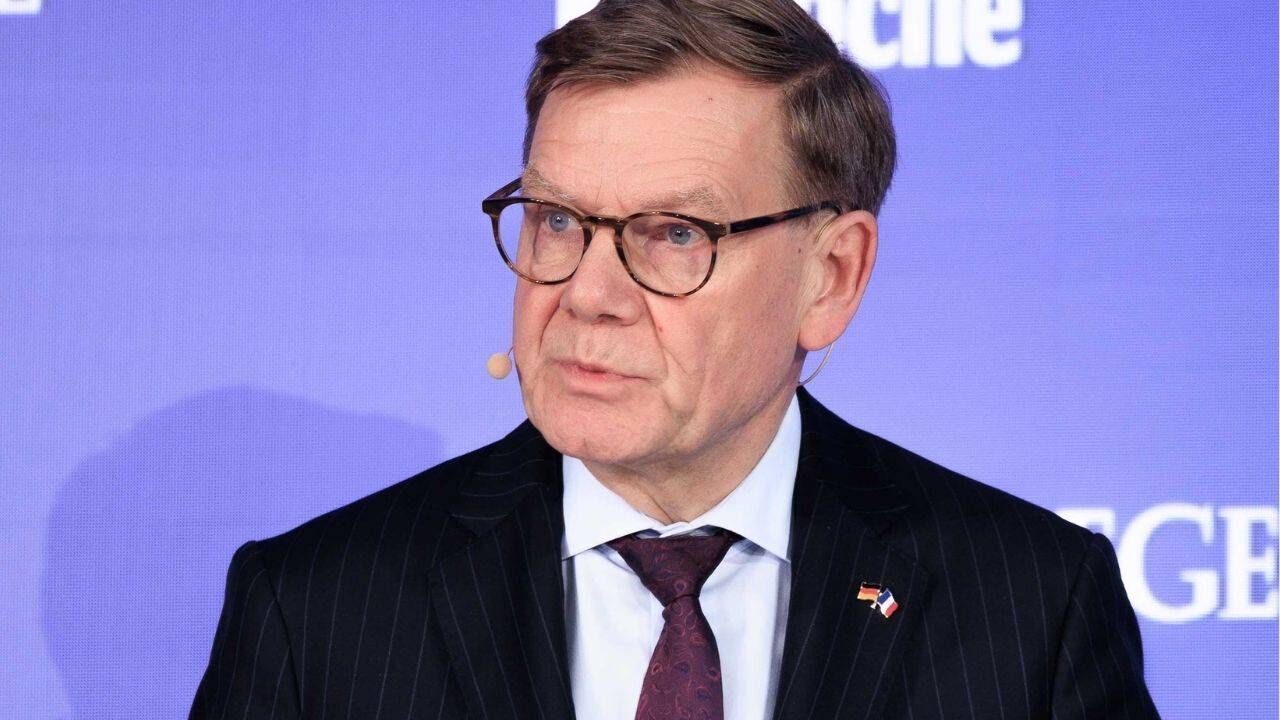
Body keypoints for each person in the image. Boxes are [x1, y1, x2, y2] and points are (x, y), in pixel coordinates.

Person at [191, 1, 1160, 718]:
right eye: (556, 219)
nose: (587, 293)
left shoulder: (1030, 606)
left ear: (831, 275)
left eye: (674, 234)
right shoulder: (317, 610)